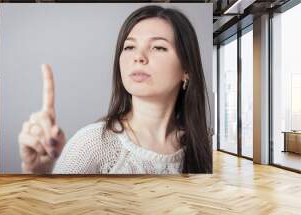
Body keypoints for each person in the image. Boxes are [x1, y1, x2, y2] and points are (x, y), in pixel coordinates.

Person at [18, 5, 212, 174]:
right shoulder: (93, 143)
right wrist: (36, 174)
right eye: (129, 47)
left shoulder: (203, 148)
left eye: (158, 47)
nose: (139, 57)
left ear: (186, 70)